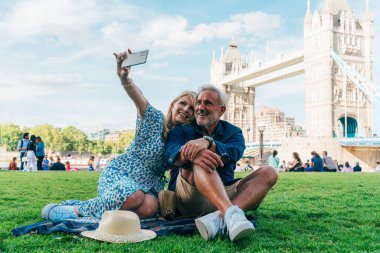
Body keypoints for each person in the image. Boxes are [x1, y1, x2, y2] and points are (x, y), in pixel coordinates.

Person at [41, 50, 196, 221]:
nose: (186, 110)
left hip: (150, 185)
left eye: (191, 108)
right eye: (183, 103)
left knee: (149, 208)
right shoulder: (155, 118)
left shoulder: (183, 140)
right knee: (135, 196)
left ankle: (98, 210)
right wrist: (125, 79)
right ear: (173, 104)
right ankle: (76, 210)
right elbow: (139, 98)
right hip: (122, 174)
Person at [165, 85, 278, 242]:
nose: (200, 108)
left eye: (208, 103)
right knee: (201, 156)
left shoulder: (234, 132)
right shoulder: (182, 130)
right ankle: (230, 213)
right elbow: (172, 155)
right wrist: (197, 149)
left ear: (222, 110)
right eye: (199, 103)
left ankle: (218, 218)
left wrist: (209, 143)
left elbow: (234, 153)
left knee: (269, 172)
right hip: (187, 197)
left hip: (222, 193)